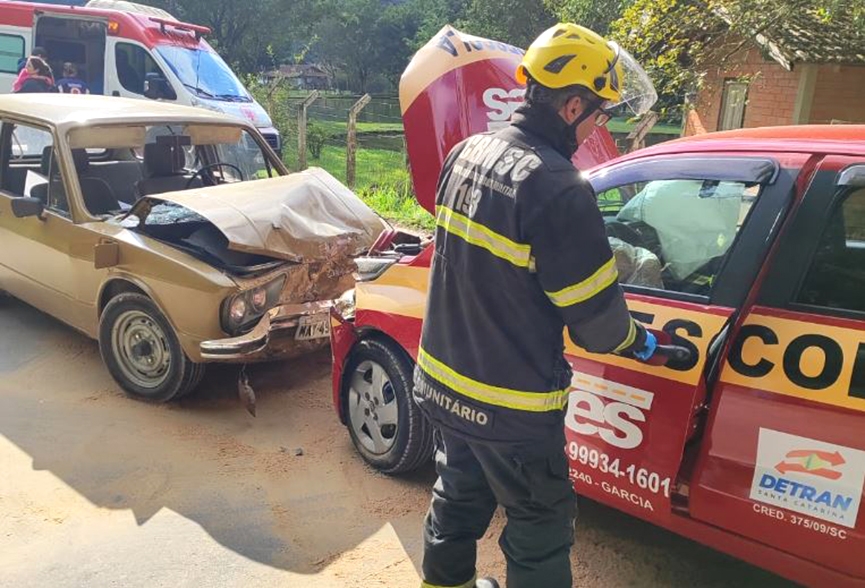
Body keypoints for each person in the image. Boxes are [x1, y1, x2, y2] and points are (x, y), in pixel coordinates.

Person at [413, 23, 659, 588]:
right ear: (573, 105)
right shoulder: (560, 187)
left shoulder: (466, 151)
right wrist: (647, 342)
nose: (598, 124)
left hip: (445, 384)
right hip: (512, 404)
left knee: (457, 496)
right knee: (539, 526)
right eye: (598, 112)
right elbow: (598, 327)